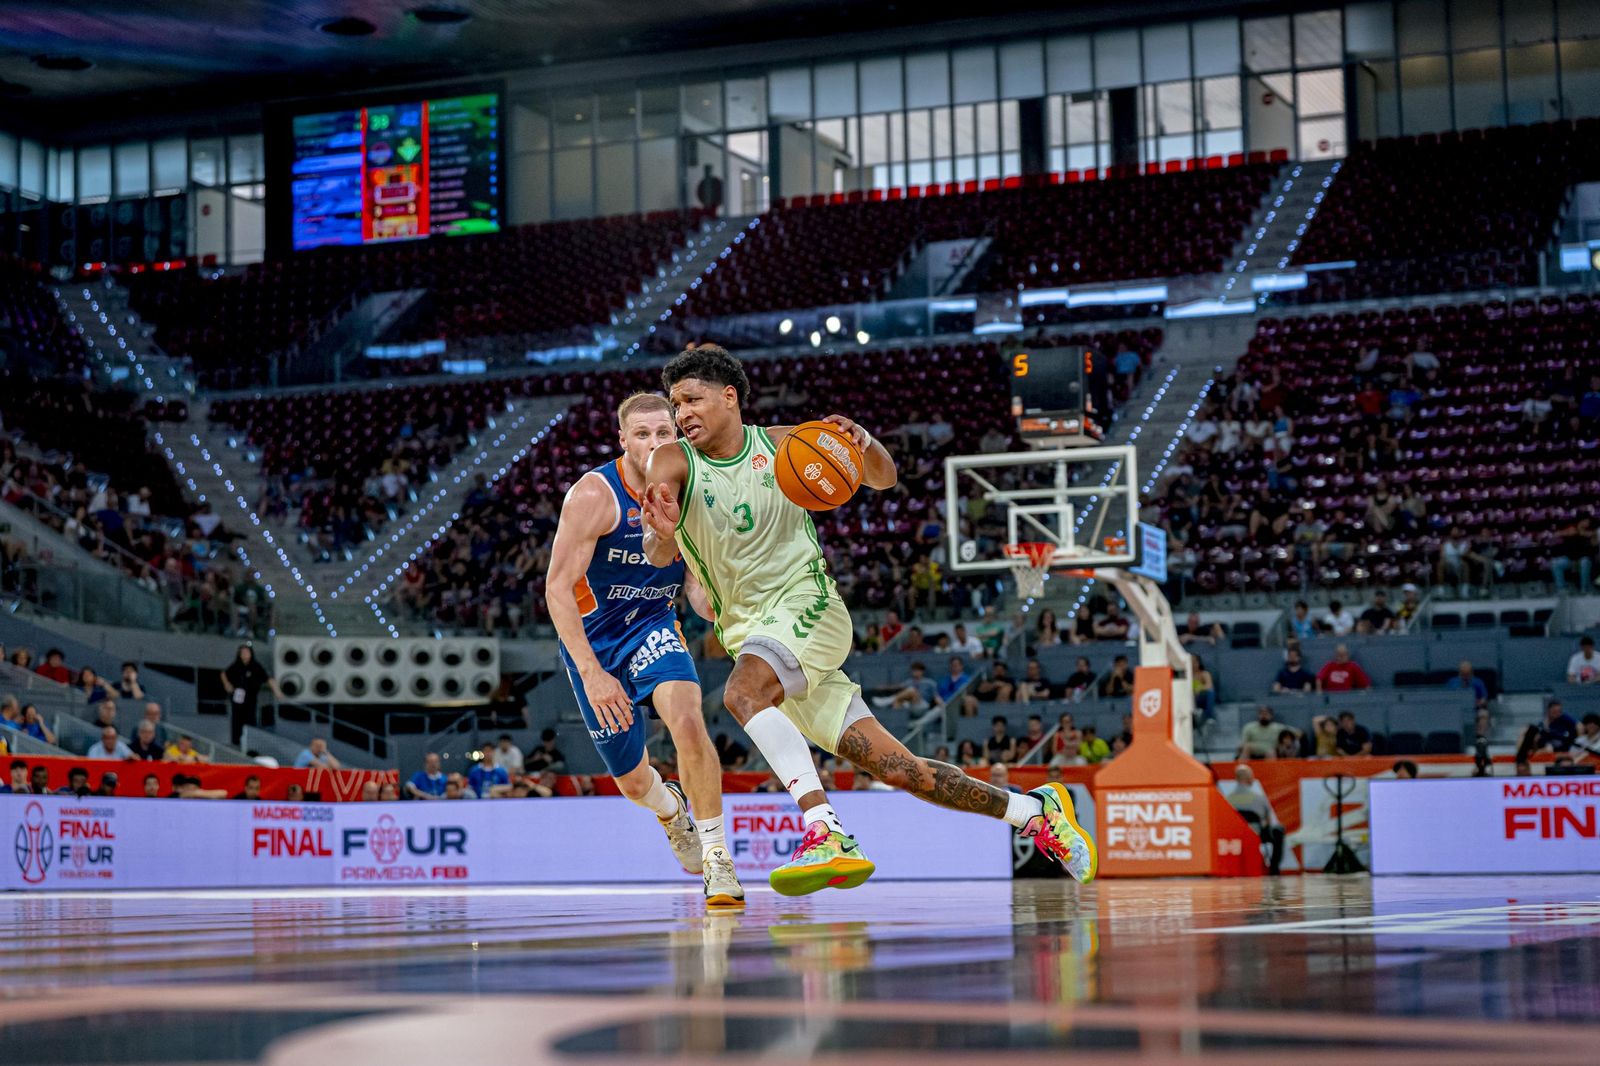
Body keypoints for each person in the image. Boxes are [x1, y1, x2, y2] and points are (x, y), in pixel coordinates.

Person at [641, 343, 1095, 894]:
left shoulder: (789, 444)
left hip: (808, 608)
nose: (681, 413)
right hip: (753, 637)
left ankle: (824, 831)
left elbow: (882, 477)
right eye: (674, 403)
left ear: (730, 397)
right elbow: (659, 555)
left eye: (691, 399)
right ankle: (1032, 811)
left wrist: (864, 441)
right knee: (902, 771)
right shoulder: (671, 462)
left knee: (741, 695)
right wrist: (659, 536)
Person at [544, 388, 741, 906]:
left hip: (653, 625)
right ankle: (671, 810)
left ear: (676, 437)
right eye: (643, 434)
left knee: (688, 719)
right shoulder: (594, 495)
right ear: (623, 439)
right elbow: (557, 589)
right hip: (594, 641)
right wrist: (590, 672)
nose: (654, 444)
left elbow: (696, 589)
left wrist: (726, 613)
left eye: (664, 434)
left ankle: (719, 860)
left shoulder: (694, 489)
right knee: (633, 783)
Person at [1225, 765, 1283, 875]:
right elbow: (1267, 821)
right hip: (1258, 834)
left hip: (1236, 835)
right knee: (1279, 831)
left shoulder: (1228, 800)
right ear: (1249, 778)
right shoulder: (1259, 798)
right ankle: (1274, 869)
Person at [220, 645, 282, 747]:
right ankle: (236, 743)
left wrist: (276, 691)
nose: (244, 654)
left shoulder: (256, 666)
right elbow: (223, 674)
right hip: (237, 699)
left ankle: (250, 744)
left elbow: (268, 679)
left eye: (246, 652)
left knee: (250, 721)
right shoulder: (236, 665)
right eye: (242, 653)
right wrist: (227, 684)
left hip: (250, 700)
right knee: (236, 721)